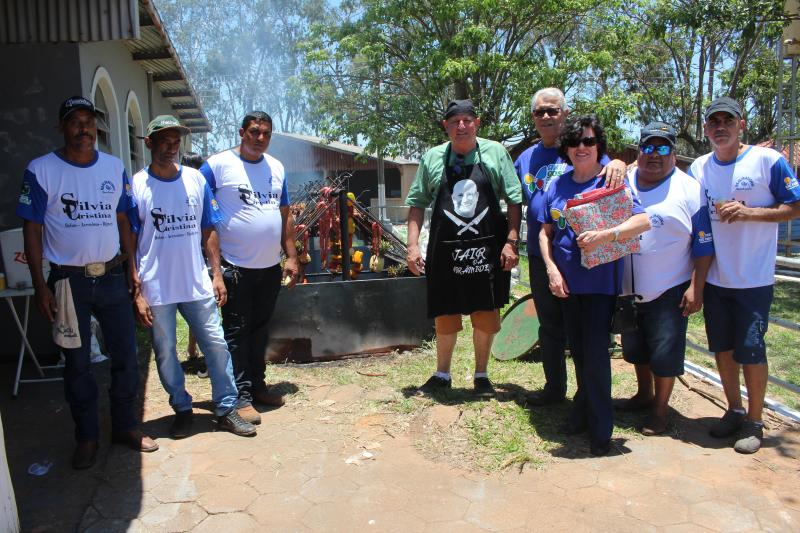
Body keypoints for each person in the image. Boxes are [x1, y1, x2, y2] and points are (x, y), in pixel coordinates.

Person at [16, 96, 157, 470]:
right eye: (75, 122)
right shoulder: (41, 170)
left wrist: (133, 272)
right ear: (62, 127)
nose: (84, 129)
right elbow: (31, 230)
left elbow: (125, 221)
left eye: (90, 122)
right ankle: (87, 437)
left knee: (126, 356)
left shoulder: (113, 167)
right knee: (77, 364)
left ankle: (126, 427)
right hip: (67, 283)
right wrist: (40, 286)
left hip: (111, 277)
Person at [129, 115, 256, 438]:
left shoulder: (195, 180)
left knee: (215, 343)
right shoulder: (137, 185)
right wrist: (137, 289)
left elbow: (208, 229)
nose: (172, 148)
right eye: (164, 142)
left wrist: (216, 273)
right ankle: (182, 409)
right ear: (149, 143)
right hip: (157, 287)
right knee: (166, 351)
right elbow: (128, 240)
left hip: (196, 282)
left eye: (176, 142)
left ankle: (227, 408)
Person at [689, 97, 800, 453]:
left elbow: (796, 206)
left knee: (751, 350)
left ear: (742, 125)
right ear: (706, 129)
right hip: (717, 279)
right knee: (722, 349)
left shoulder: (768, 161)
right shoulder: (701, 167)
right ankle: (734, 410)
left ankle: (755, 420)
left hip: (753, 279)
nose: (720, 126)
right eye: (713, 122)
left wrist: (750, 213)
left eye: (728, 120)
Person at [539, 114, 650, 455]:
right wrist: (551, 271)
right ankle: (582, 413)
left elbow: (643, 221)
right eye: (574, 143)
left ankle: (602, 432)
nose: (581, 148)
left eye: (588, 141)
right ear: (567, 149)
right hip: (568, 285)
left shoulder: (611, 181)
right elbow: (546, 232)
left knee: (597, 357)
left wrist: (606, 235)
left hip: (601, 285)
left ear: (598, 145)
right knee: (580, 353)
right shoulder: (557, 185)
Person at [514, 88, 628, 406]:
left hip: (581, 258)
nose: (546, 117)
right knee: (549, 325)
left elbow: (610, 168)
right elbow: (513, 200)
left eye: (553, 110)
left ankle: (585, 395)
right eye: (540, 112)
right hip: (542, 253)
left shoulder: (579, 148)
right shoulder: (525, 158)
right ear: (534, 118)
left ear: (564, 113)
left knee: (581, 333)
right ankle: (554, 388)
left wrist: (618, 161)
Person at [406, 99, 523, 398]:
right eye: (454, 121)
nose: (461, 126)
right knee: (445, 312)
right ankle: (442, 374)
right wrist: (412, 246)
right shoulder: (432, 158)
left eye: (467, 120)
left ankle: (482, 375)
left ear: (477, 123)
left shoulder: (495, 152)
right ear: (446, 126)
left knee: (485, 312)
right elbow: (417, 204)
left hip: (487, 250)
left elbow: (513, 199)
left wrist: (511, 242)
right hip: (445, 251)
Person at [199, 111, 299, 425]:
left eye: (266, 134)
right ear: (242, 132)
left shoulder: (277, 168)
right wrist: (214, 270)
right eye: (254, 132)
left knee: (259, 330)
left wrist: (292, 257)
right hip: (234, 268)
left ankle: (257, 385)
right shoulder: (217, 166)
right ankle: (239, 395)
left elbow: (285, 216)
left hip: (269, 268)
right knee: (236, 334)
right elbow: (200, 210)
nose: (259, 139)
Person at [618, 122, 714, 435]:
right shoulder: (623, 181)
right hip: (627, 286)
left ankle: (660, 410)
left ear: (673, 154)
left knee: (665, 351)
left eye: (662, 148)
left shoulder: (691, 189)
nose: (654, 155)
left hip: (670, 286)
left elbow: (703, 242)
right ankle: (643, 394)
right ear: (639, 151)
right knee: (634, 347)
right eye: (648, 147)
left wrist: (695, 287)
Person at [180, 152, 208, 378]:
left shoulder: (200, 188)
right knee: (199, 307)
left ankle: (193, 350)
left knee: (199, 305)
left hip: (201, 255)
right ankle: (195, 350)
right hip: (194, 256)